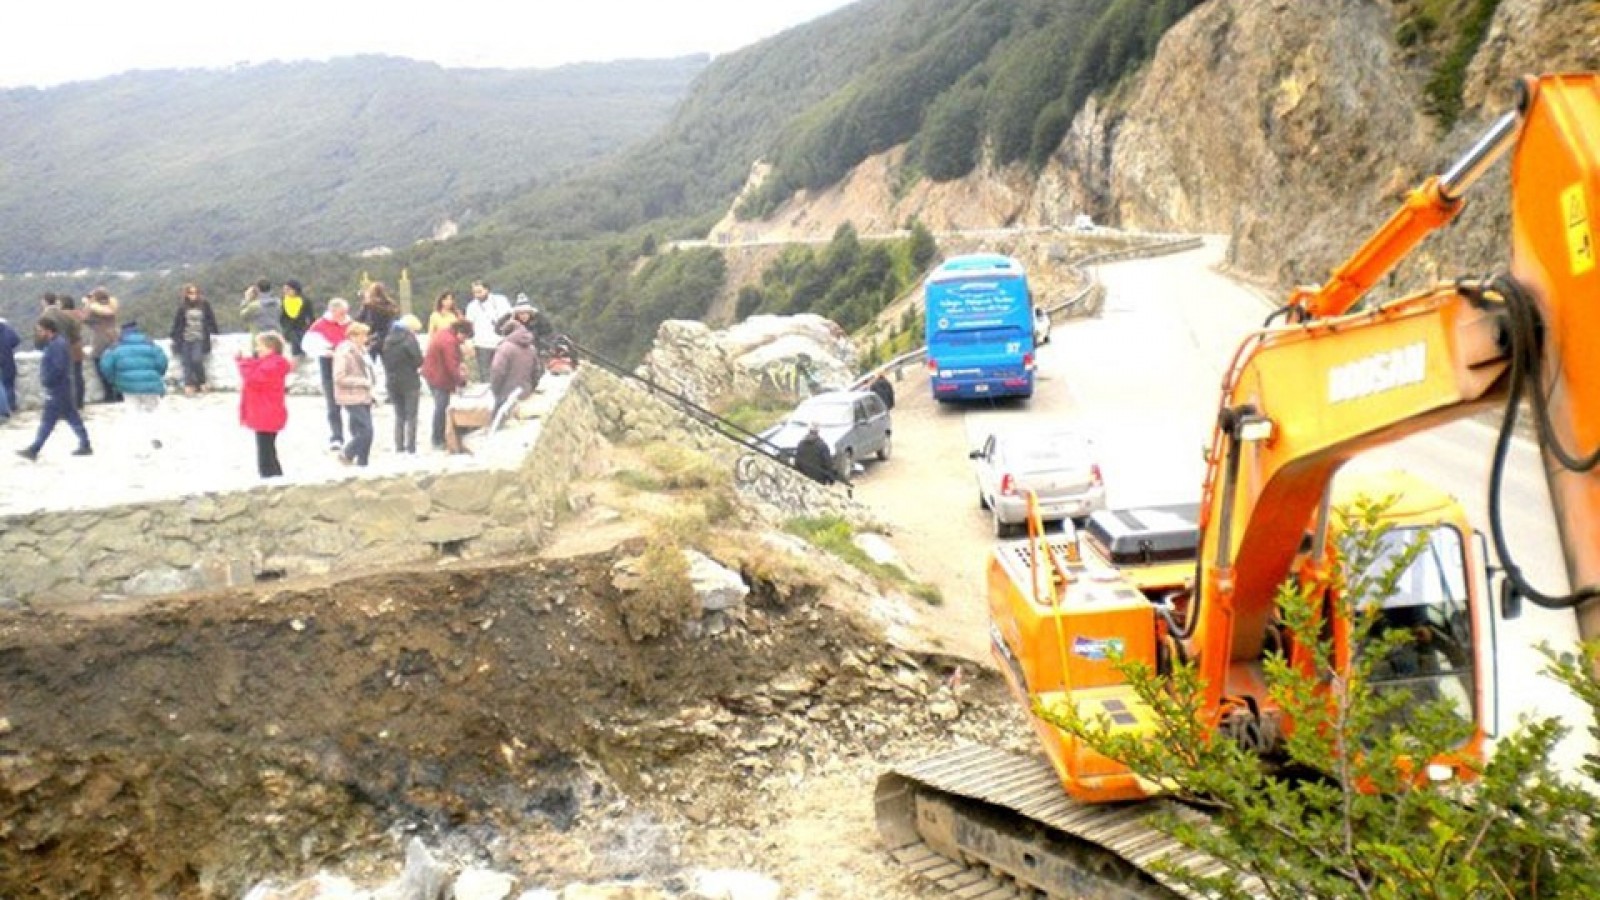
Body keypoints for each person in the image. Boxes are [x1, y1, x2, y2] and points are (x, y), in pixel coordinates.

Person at [16, 317, 91, 460]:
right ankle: (85, 443)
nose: (38, 333)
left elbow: (58, 367)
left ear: (48, 330)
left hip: (57, 388)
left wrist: (48, 381)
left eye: (40, 330)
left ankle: (34, 449)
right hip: (63, 387)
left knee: (48, 420)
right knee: (71, 416)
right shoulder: (57, 343)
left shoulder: (57, 345)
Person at [97, 320, 170, 456]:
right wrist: (156, 375)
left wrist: (114, 380)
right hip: (150, 385)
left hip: (127, 385)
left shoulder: (115, 347)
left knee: (133, 412)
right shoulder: (150, 344)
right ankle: (155, 436)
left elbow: (105, 366)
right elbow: (162, 362)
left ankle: (139, 442)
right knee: (153, 410)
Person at [237, 331, 291, 479]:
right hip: (267, 411)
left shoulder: (273, 365)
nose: (257, 349)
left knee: (265, 451)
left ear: (270, 348)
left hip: (265, 412)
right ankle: (276, 476)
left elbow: (253, 379)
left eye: (260, 346)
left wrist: (242, 363)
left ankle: (269, 478)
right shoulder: (272, 363)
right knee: (268, 449)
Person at [301, 298, 351, 451]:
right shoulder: (320, 325)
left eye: (345, 313)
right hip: (328, 364)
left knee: (353, 402)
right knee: (332, 403)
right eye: (341, 313)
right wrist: (325, 351)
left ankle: (357, 434)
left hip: (348, 364)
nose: (344, 316)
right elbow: (307, 345)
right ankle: (336, 437)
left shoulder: (350, 324)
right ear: (332, 311)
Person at [422, 319, 471, 451]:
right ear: (460, 332)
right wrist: (461, 381)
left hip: (433, 374)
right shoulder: (449, 342)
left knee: (441, 407)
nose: (463, 341)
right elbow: (452, 365)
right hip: (438, 377)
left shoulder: (445, 334)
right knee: (441, 408)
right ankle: (438, 439)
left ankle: (442, 436)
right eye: (464, 337)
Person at [333, 321, 375, 466]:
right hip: (351, 396)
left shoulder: (363, 351)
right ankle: (347, 453)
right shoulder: (344, 352)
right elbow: (339, 377)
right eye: (363, 335)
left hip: (365, 395)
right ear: (353, 336)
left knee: (361, 431)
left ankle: (363, 462)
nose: (366, 339)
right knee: (367, 431)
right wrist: (362, 381)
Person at [382, 315, 424, 454]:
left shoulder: (388, 339)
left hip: (392, 381)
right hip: (410, 381)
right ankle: (411, 446)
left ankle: (399, 445)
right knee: (412, 415)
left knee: (399, 415)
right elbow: (418, 360)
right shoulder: (409, 340)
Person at [169, 283, 219, 396]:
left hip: (200, 338)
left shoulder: (204, 305)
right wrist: (174, 338)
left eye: (195, 292)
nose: (194, 295)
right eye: (191, 293)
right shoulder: (182, 307)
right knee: (186, 362)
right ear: (186, 294)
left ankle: (202, 382)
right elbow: (178, 323)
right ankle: (189, 385)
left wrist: (214, 332)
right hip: (185, 338)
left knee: (197, 359)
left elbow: (210, 319)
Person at [489, 318, 539, 415]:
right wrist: (531, 387)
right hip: (525, 393)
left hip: (506, 394)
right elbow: (536, 371)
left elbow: (497, 370)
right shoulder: (531, 348)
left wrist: (495, 389)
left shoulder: (505, 348)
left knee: (499, 420)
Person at [463, 280, 510, 381]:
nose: (477, 295)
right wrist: (469, 343)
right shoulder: (471, 306)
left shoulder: (501, 300)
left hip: (500, 342)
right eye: (475, 292)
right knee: (485, 375)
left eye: (480, 292)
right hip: (482, 344)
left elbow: (508, 318)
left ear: (487, 289)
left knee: (503, 372)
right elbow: (469, 326)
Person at [83, 287, 122, 403]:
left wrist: (87, 304)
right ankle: (119, 393)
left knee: (100, 365)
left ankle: (109, 394)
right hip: (114, 338)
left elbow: (84, 319)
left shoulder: (94, 310)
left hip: (100, 340)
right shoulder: (111, 308)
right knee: (116, 368)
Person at [356, 282, 399, 362]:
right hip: (387, 337)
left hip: (372, 338)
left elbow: (358, 320)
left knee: (370, 363)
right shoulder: (390, 305)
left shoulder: (369, 306)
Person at [280, 279, 315, 359]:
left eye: (288, 289)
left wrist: (310, 328)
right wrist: (284, 327)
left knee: (303, 346)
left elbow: (310, 316)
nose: (286, 292)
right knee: (295, 346)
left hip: (302, 327)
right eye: (285, 289)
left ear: (295, 290)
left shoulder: (305, 300)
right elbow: (282, 316)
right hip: (289, 329)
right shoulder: (284, 300)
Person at [0, 315, 19, 420]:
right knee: (9, 385)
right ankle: (11, 407)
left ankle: (4, 411)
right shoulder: (7, 329)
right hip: (8, 360)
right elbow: (16, 340)